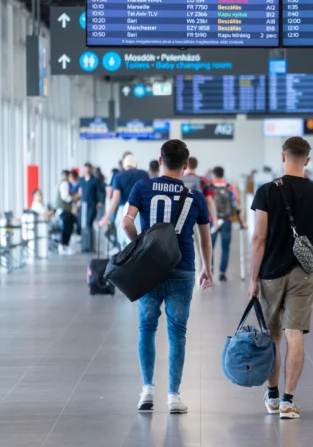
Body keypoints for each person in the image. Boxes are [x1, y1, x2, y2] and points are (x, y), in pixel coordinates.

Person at [247, 137, 313, 420]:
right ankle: (288, 400)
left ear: (282, 157)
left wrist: (252, 278)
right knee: (294, 334)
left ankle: (272, 395)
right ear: (307, 161)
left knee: (272, 334)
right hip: (303, 272)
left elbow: (259, 238)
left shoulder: (265, 192)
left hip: (270, 273)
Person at [122, 139, 214, 414]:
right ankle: (174, 396)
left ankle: (147, 391)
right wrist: (206, 268)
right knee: (177, 333)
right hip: (182, 268)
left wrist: (140, 244)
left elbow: (126, 222)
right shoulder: (195, 196)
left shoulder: (142, 187)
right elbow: (205, 239)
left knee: (146, 328)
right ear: (186, 165)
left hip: (149, 269)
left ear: (160, 161)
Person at [99, 153, 149, 248]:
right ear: (135, 164)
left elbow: (115, 199)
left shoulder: (118, 176)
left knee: (124, 245)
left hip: (124, 212)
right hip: (140, 211)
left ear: (124, 164)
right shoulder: (143, 174)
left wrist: (106, 218)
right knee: (139, 243)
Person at [210, 166, 246, 282]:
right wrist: (242, 221)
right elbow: (237, 203)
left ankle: (209, 271)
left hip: (212, 220)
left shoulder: (209, 187)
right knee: (225, 248)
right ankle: (222, 273)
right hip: (227, 220)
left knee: (209, 247)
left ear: (214, 175)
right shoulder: (230, 187)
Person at [77, 163, 103, 253]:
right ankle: (84, 246)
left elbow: (101, 191)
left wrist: (101, 201)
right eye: (85, 169)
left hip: (92, 205)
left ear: (91, 169)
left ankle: (90, 246)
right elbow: (76, 190)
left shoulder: (95, 181)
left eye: (88, 169)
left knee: (89, 224)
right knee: (82, 225)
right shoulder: (81, 180)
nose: (87, 171)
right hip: (83, 205)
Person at [55, 170, 75, 254]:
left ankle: (63, 246)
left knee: (64, 228)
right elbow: (66, 197)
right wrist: (74, 198)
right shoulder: (65, 183)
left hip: (61, 210)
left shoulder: (59, 183)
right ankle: (64, 246)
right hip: (64, 210)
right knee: (67, 228)